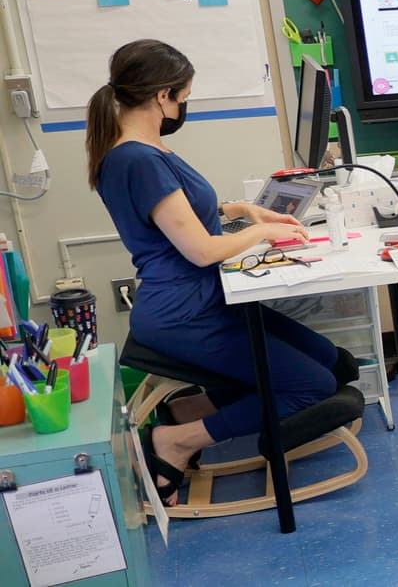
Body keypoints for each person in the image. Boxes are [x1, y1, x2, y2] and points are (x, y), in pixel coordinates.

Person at [86, 39, 351, 504]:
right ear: (162, 96)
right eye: (184, 97)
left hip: (199, 301)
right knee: (313, 384)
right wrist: (263, 234)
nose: (184, 105)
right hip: (185, 313)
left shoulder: (138, 151)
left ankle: (186, 410)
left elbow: (176, 216)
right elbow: (202, 250)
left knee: (328, 359)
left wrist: (242, 209)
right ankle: (177, 441)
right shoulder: (139, 159)